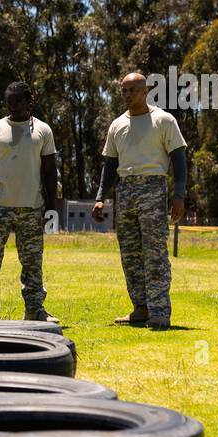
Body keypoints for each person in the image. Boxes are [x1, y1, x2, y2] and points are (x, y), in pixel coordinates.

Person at [91, 72, 188, 330]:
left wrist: (179, 195)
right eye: (124, 90)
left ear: (146, 91)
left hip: (153, 188)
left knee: (154, 252)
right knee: (131, 254)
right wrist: (101, 197)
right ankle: (140, 308)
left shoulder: (163, 120)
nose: (127, 95)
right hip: (125, 191)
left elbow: (179, 160)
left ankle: (159, 313)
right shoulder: (116, 126)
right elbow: (109, 165)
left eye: (133, 90)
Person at [0, 82, 60, 323]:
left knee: (32, 263)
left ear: (31, 101)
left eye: (18, 101)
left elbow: (50, 171)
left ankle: (35, 309)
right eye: (9, 102)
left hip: (32, 208)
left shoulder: (43, 131)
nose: (13, 107)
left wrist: (51, 207)